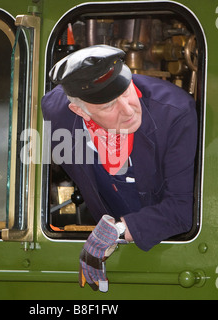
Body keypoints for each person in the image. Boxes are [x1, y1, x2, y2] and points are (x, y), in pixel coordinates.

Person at [41, 45, 198, 292]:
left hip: (173, 250)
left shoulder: (175, 114)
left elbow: (185, 206)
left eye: (127, 92)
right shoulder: (58, 114)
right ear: (79, 110)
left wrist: (118, 229)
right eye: (108, 106)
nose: (128, 110)